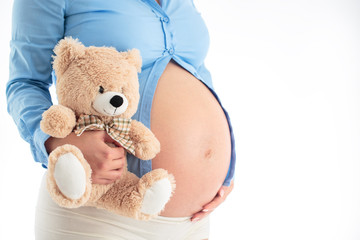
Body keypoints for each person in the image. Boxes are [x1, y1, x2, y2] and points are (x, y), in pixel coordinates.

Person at [6, 0, 236, 239]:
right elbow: (25, 83)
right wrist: (56, 142)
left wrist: (224, 169)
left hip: (193, 223)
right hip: (101, 216)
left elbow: (194, 68)